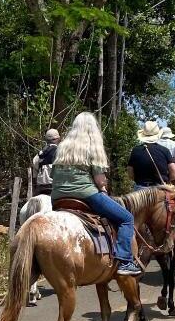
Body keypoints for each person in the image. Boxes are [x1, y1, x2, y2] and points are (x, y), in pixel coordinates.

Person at [51, 112, 143, 276]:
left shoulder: (62, 146)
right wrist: (103, 189)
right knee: (126, 218)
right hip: (86, 194)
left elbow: (54, 175)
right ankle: (124, 261)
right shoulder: (92, 147)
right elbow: (100, 181)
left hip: (58, 197)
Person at [128, 122, 175, 257]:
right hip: (159, 190)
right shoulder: (164, 151)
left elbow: (130, 174)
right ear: (157, 135)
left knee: (128, 215)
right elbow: (173, 173)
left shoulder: (135, 151)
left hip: (140, 190)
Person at [32, 129, 61, 196]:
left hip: (41, 188)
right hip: (55, 187)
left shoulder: (39, 154)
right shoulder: (61, 153)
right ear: (58, 139)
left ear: (46, 140)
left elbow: (34, 176)